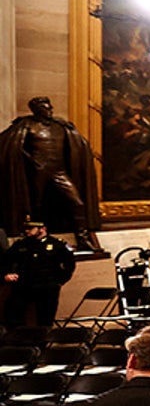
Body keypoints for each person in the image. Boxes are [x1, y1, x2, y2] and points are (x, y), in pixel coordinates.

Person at [0, 95, 100, 246]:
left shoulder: (60, 126)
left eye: (50, 107)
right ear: (36, 110)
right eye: (45, 108)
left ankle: (83, 237)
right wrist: (29, 160)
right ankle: (34, 238)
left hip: (59, 171)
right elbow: (9, 144)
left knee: (77, 202)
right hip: (37, 172)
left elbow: (78, 145)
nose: (50, 111)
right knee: (36, 205)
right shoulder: (26, 125)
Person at [3, 218, 75, 328]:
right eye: (26, 228)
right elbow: (6, 260)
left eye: (31, 228)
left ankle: (42, 343)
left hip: (47, 286)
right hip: (24, 285)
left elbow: (69, 265)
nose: (27, 231)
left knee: (45, 319)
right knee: (13, 314)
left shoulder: (57, 245)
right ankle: (18, 341)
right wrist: (6, 274)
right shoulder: (21, 244)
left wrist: (59, 281)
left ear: (43, 229)